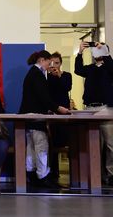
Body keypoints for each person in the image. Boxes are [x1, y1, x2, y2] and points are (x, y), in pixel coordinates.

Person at [19, 50, 69, 189]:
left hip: (29, 116)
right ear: (42, 60)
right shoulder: (37, 74)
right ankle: (43, 176)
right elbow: (43, 97)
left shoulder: (33, 73)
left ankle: (32, 175)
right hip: (36, 116)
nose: (49, 65)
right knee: (41, 146)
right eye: (49, 62)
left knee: (31, 148)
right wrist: (58, 108)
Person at [74, 41, 113, 186]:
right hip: (90, 108)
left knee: (110, 144)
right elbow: (78, 70)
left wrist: (104, 51)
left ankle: (111, 174)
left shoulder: (109, 68)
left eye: (100, 50)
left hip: (106, 108)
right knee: (94, 144)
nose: (96, 53)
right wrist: (80, 53)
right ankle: (96, 174)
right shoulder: (90, 69)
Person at [47, 52, 72, 180]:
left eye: (56, 63)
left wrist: (59, 76)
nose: (54, 66)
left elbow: (66, 88)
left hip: (64, 113)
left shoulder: (66, 75)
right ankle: (53, 172)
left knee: (66, 142)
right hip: (51, 114)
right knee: (51, 143)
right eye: (51, 63)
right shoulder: (46, 77)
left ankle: (73, 173)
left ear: (60, 63)